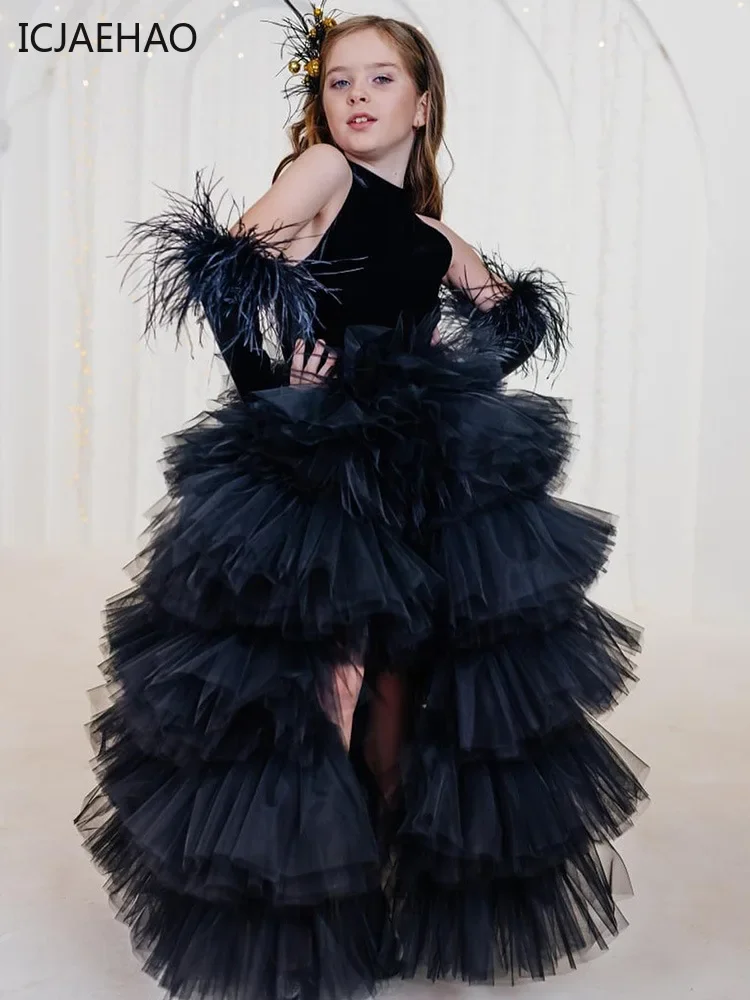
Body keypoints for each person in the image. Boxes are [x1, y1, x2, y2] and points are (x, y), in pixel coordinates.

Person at [75, 6, 648, 1000]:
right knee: (330, 683)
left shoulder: (430, 233)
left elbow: (508, 318)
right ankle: (300, 928)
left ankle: (369, 898)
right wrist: (270, 390)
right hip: (320, 471)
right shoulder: (324, 174)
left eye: (381, 79)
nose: (356, 96)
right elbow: (223, 271)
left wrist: (445, 367)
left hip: (415, 472)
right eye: (339, 81)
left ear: (422, 105)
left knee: (397, 689)